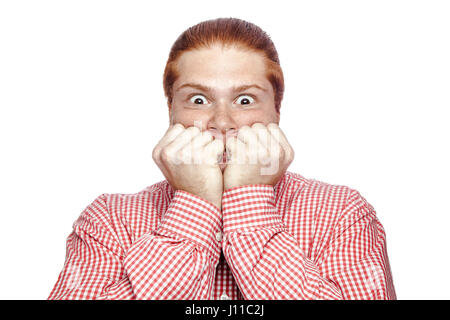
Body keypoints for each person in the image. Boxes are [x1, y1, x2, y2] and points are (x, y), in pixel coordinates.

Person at [48, 17, 396, 300]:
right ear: (170, 108)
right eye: (198, 100)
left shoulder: (341, 213)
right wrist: (194, 204)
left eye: (245, 100)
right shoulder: (108, 221)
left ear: (277, 109)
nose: (222, 122)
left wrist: (249, 199)